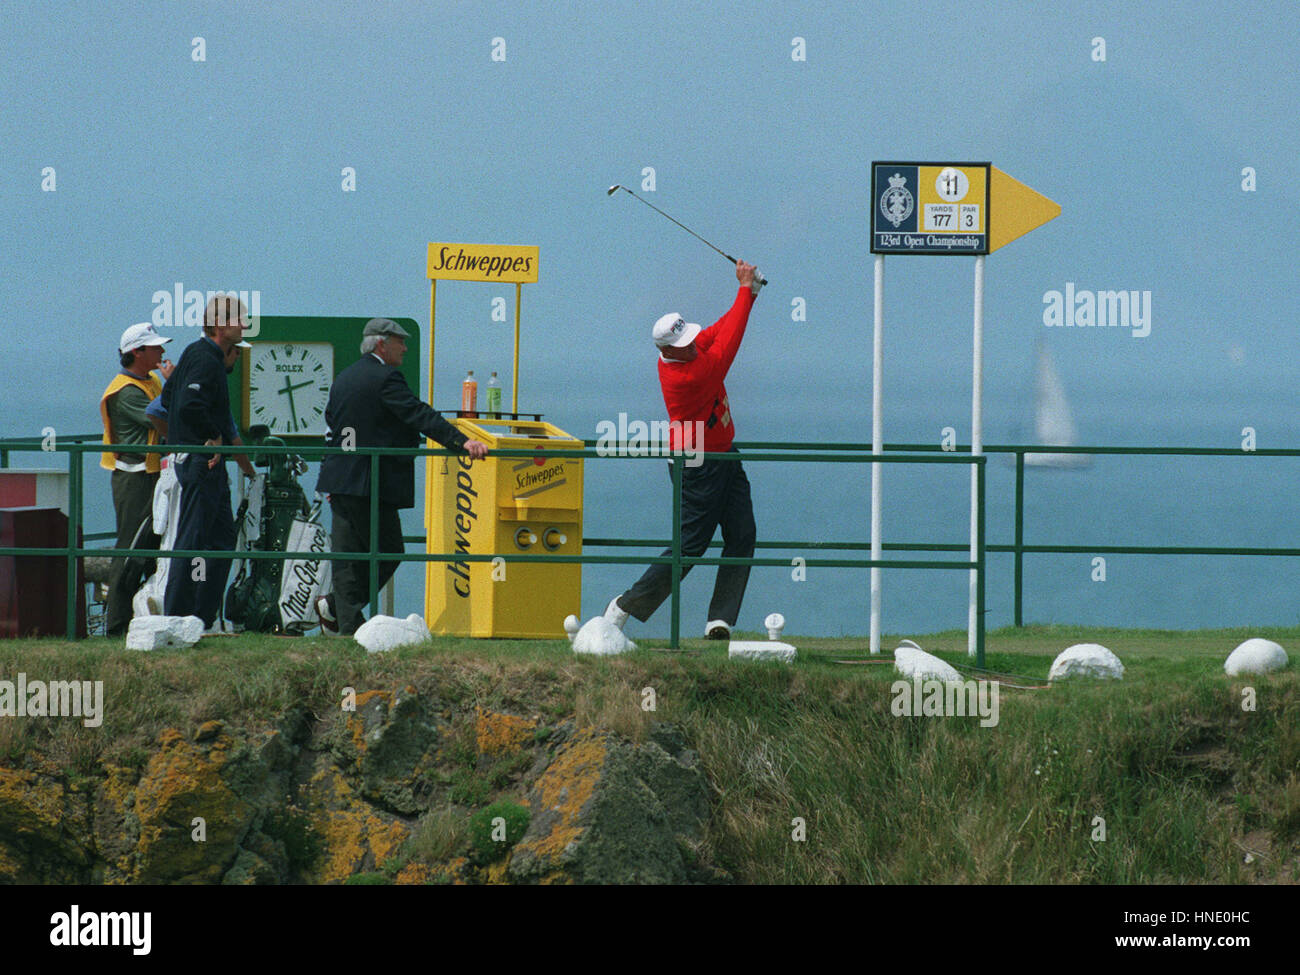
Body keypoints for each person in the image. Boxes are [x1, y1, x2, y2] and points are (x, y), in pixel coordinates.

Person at [604, 260, 763, 639]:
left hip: (724, 454)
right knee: (691, 546)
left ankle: (719, 619)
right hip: (698, 465)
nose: (692, 346)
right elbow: (727, 346)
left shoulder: (686, 351)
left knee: (742, 534)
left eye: (690, 340)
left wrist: (749, 295)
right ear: (666, 351)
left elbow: (715, 333)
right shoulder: (688, 374)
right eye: (684, 346)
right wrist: (743, 289)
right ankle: (624, 606)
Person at [315, 318, 489, 635]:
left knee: (347, 555)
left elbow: (333, 427)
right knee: (388, 549)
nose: (405, 348)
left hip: (340, 477)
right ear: (383, 343)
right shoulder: (386, 377)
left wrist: (332, 468)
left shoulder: (344, 378)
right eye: (400, 341)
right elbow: (418, 413)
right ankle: (345, 617)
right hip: (370, 480)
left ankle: (341, 613)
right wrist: (461, 441)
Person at [160, 294, 255, 628]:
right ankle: (179, 616)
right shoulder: (206, 358)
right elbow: (187, 404)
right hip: (202, 463)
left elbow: (169, 398)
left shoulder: (197, 354)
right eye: (237, 320)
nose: (244, 325)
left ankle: (200, 616)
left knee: (219, 537)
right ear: (218, 325)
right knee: (194, 537)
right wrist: (211, 435)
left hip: (201, 461)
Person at [98, 323, 174, 635]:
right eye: (155, 347)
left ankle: (141, 616)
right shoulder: (125, 391)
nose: (162, 351)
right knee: (129, 551)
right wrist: (174, 385)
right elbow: (162, 416)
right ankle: (116, 626)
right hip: (135, 480)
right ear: (136, 353)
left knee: (150, 548)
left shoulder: (150, 380)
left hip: (152, 476)